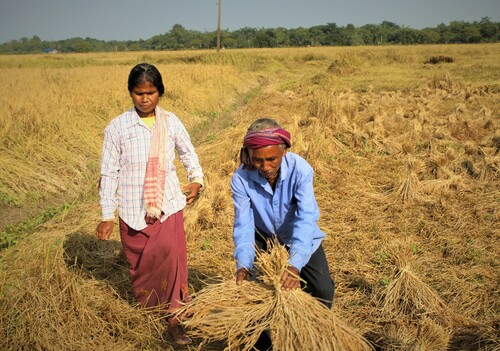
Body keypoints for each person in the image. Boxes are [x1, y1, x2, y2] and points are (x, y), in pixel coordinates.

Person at [95, 63, 203, 346]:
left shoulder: (171, 122)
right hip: (132, 210)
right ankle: (152, 310)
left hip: (168, 205)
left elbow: (188, 153)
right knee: (141, 268)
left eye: (151, 92)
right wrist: (107, 214)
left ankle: (175, 318)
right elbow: (108, 172)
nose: (145, 99)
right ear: (131, 93)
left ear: (160, 92)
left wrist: (196, 180)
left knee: (172, 260)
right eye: (138, 93)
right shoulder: (118, 127)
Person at [231, 118, 335, 350]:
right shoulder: (241, 178)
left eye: (272, 159)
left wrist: (295, 263)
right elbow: (244, 225)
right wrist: (244, 264)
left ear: (284, 151)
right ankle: (261, 344)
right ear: (248, 156)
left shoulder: (301, 170)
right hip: (263, 237)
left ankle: (313, 332)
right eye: (258, 161)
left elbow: (306, 218)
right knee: (253, 294)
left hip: (298, 235)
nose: (265, 167)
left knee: (323, 289)